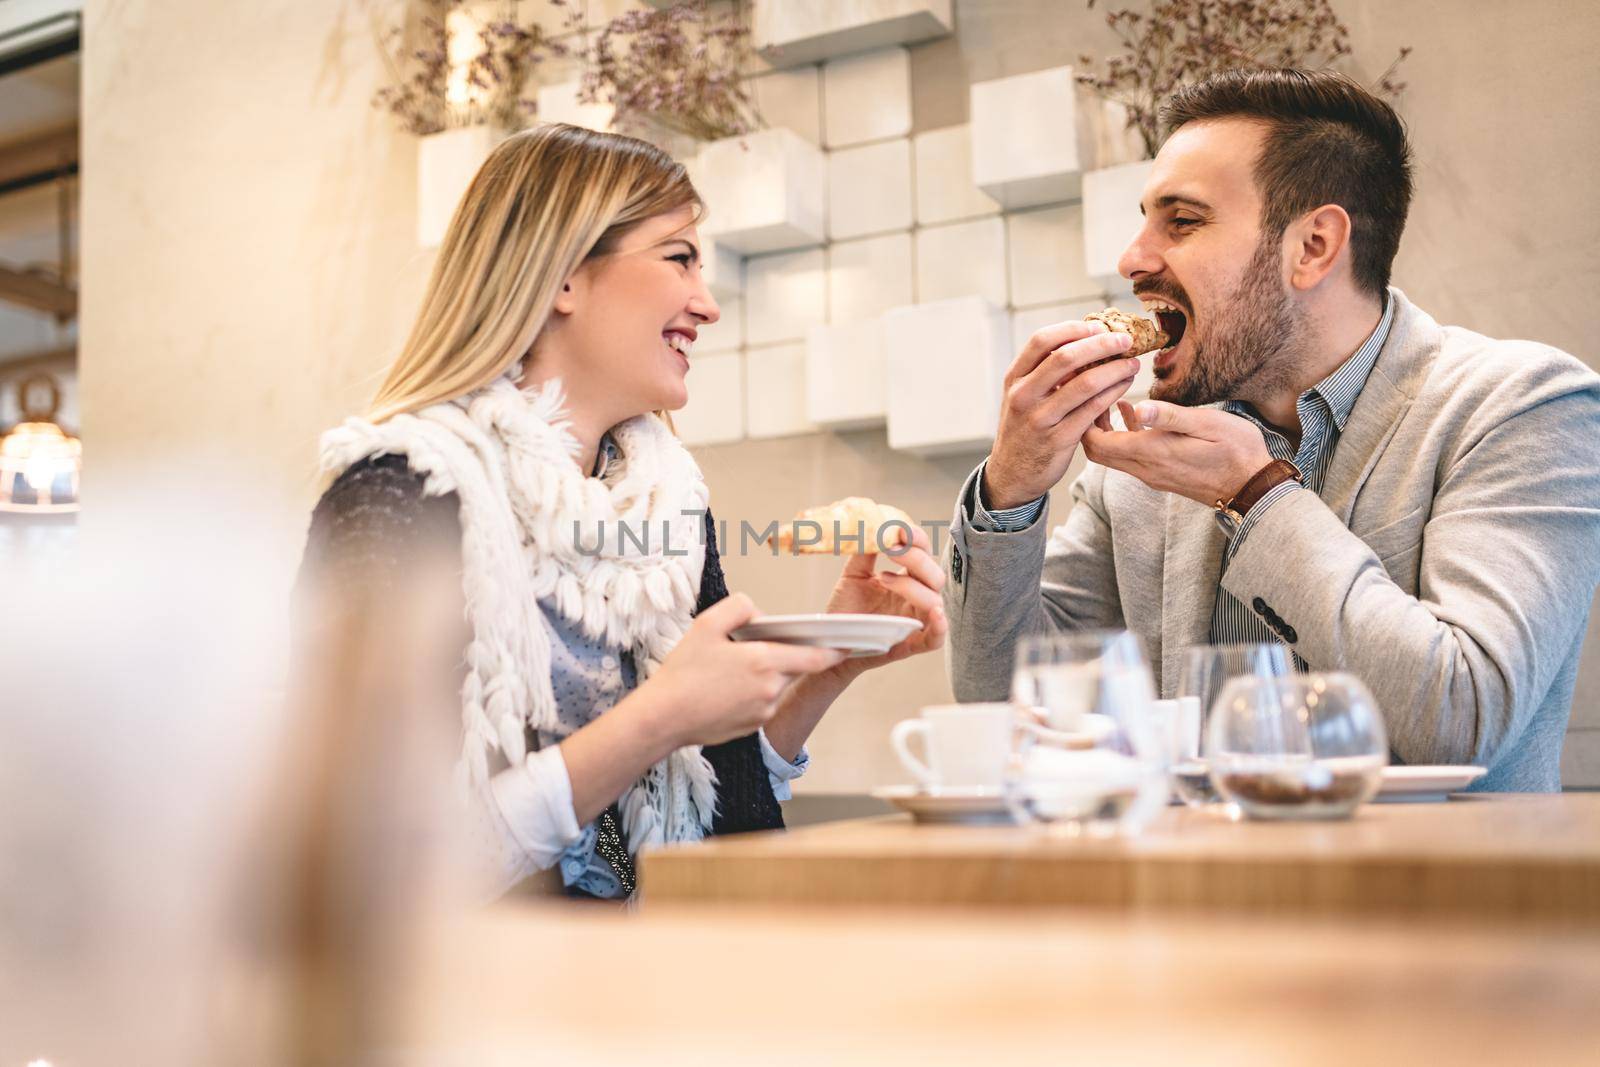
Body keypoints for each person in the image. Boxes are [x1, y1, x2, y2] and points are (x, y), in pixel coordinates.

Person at [297, 124, 947, 900]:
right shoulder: (399, 494)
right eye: (679, 256)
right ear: (566, 275)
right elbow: (364, 871)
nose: (707, 304)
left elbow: (717, 800)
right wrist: (658, 718)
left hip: (650, 977)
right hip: (479, 1004)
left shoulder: (668, 503)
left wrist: (829, 670)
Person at [942, 68, 1600, 792]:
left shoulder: (1523, 406)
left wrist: (1256, 495)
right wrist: (1012, 488)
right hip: (1186, 900)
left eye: (1182, 221)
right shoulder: (1141, 456)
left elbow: (1460, 713)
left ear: (1313, 246)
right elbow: (1008, 705)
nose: (1132, 259)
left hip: (1427, 902)